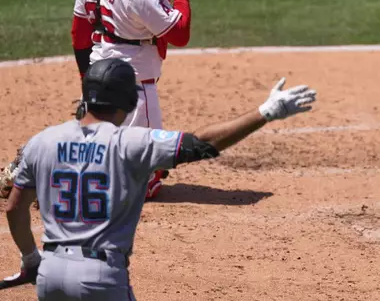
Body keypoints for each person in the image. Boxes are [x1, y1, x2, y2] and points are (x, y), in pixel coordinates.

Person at [3, 58, 317, 300]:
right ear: (127, 102)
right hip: (99, 279)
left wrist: (31, 258)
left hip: (51, 274)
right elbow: (203, 144)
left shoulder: (41, 142)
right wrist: (267, 111)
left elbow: (14, 208)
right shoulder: (132, 143)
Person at [71, 0, 190, 200]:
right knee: (147, 181)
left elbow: (79, 34)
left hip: (101, 80)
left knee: (106, 144)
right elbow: (180, 33)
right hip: (137, 89)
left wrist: (88, 82)